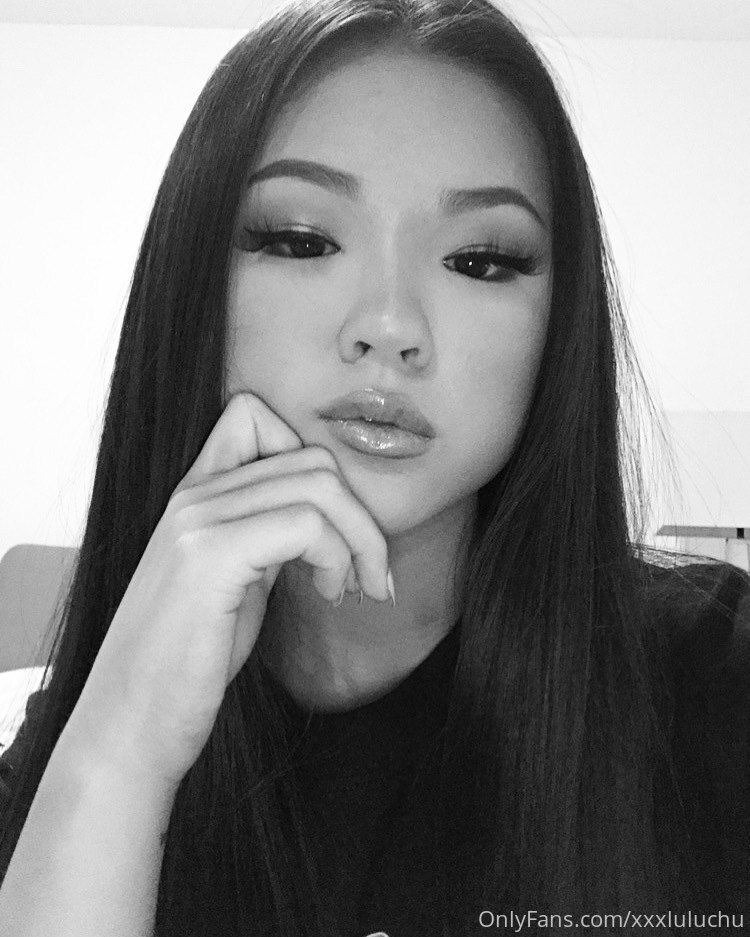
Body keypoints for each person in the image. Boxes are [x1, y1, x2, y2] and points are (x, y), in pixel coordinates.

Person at [0, 0, 748, 934]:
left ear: (558, 325)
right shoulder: (86, 734)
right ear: (192, 288)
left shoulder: (716, 675)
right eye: (303, 240)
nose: (391, 326)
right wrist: (120, 752)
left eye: (481, 259)